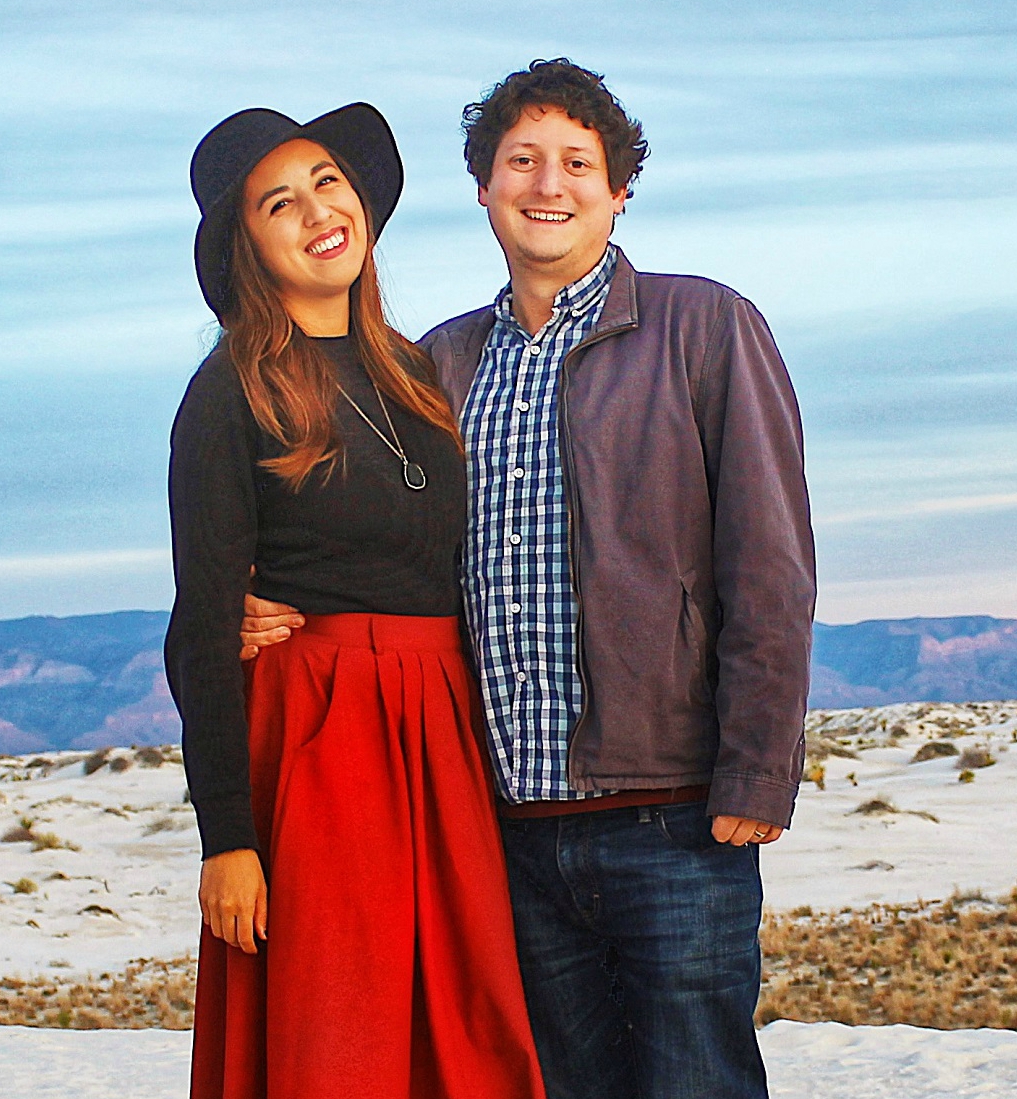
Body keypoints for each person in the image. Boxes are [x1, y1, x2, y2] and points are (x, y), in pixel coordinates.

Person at [242, 60, 816, 1099]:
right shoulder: (430, 367)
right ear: (483, 185)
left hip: (674, 821)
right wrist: (269, 598)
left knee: (697, 1081)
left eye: (576, 163)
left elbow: (770, 566)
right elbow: (371, 542)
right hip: (502, 828)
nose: (547, 184)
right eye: (521, 160)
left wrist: (757, 770)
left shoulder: (705, 328)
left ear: (617, 188)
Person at [165, 102, 545, 1099]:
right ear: (247, 246)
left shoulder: (419, 376)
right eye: (277, 202)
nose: (314, 211)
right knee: (338, 1032)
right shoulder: (227, 397)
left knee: (465, 1031)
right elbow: (199, 632)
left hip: (443, 734)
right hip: (320, 741)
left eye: (327, 181)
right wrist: (228, 840)